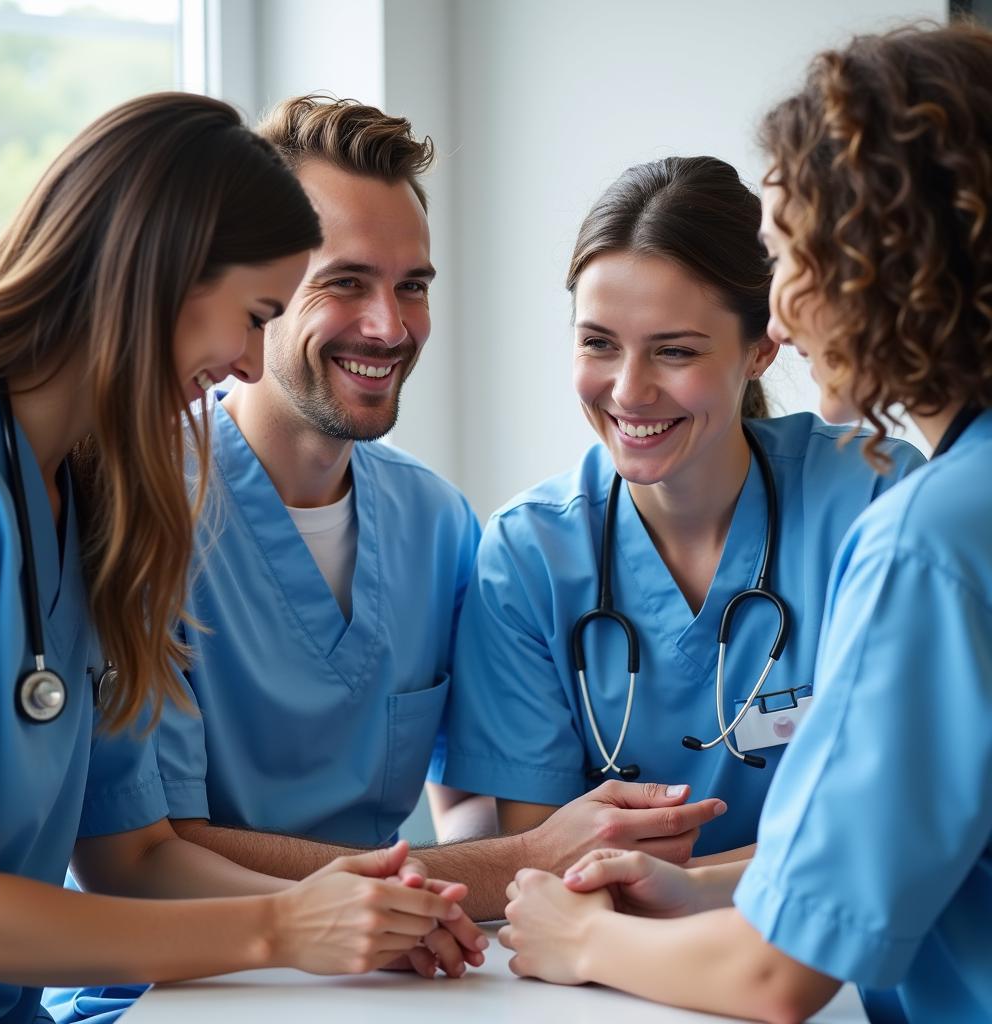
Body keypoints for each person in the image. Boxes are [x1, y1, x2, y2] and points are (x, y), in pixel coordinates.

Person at [54, 96, 740, 1023]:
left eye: (413, 285)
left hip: (389, 991)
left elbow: (468, 803)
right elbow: (144, 857)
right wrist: (509, 866)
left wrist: (468, 900)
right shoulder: (141, 508)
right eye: (344, 282)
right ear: (264, 285)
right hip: (171, 997)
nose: (389, 325)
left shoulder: (436, 523)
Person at [498, 22, 992, 1024]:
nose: (782, 313)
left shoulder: (926, 535)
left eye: (784, 253)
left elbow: (777, 980)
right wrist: (704, 891)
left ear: (878, 257)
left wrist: (581, 937)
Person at [0, 92, 478, 1024]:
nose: (249, 361)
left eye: (412, 286)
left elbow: (130, 849)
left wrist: (371, 916)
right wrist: (284, 928)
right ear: (155, 275)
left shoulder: (87, 489)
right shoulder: (16, 493)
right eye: (254, 314)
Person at [439, 155, 923, 861]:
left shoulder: (873, 497)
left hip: (841, 952)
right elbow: (541, 852)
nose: (630, 392)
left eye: (674, 351)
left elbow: (901, 811)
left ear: (760, 349)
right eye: (598, 343)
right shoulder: (528, 554)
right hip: (599, 955)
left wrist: (688, 886)